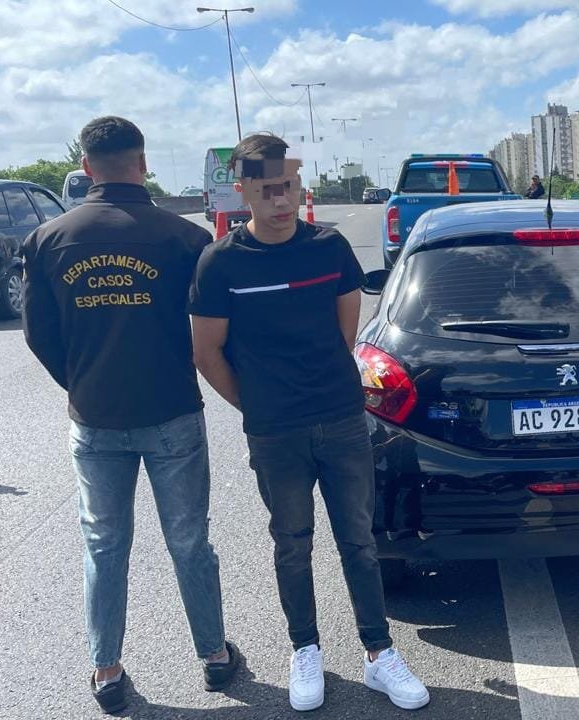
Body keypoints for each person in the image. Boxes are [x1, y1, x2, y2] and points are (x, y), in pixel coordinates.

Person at [188, 133, 429, 713]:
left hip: (341, 420)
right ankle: (305, 650)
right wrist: (258, 406)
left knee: (359, 542)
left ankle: (378, 653)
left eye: (288, 186)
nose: (280, 200)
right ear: (243, 191)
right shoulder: (221, 263)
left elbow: (345, 333)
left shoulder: (329, 248)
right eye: (267, 189)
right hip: (275, 431)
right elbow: (206, 352)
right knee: (292, 544)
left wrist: (319, 388)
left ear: (300, 186)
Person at [21, 116, 241, 715]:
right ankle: (214, 656)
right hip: (172, 410)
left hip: (94, 416)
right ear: (142, 164)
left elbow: (39, 335)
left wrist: (82, 381)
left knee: (103, 545)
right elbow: (215, 331)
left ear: (85, 166)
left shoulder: (48, 240)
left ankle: (107, 669)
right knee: (189, 541)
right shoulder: (186, 239)